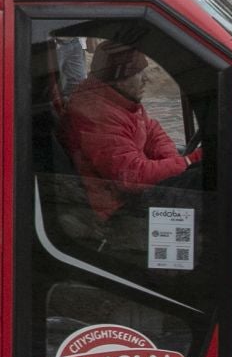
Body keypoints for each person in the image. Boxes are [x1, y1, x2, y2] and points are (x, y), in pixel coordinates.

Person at [60, 42, 199, 225]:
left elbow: (151, 129)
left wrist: (173, 160)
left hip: (129, 194)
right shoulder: (97, 115)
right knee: (200, 183)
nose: (146, 80)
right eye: (138, 73)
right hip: (118, 210)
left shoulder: (118, 99)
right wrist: (188, 161)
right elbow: (131, 176)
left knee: (193, 179)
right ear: (120, 78)